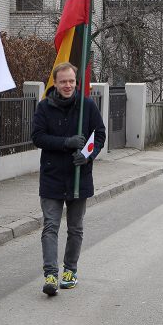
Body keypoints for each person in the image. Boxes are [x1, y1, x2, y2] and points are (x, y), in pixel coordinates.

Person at [32, 62, 106, 296]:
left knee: (75, 228)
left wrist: (87, 155)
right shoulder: (44, 107)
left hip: (78, 176)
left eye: (71, 81)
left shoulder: (87, 105)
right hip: (52, 176)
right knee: (50, 226)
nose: (67, 85)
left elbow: (99, 134)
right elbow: (38, 137)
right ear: (55, 82)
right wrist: (66, 143)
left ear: (76, 82)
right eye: (63, 81)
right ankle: (51, 274)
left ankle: (70, 271)